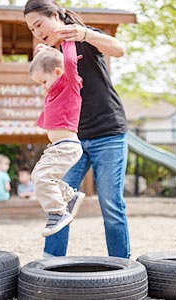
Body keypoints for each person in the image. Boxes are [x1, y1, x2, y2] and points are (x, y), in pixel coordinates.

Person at [24, 0, 130, 258]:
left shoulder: (83, 35)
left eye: (39, 24)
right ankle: (50, 264)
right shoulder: (49, 55)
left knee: (110, 203)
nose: (37, 31)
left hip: (108, 132)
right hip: (71, 141)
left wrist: (85, 34)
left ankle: (121, 267)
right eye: (32, 29)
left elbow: (118, 50)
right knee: (57, 201)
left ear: (56, 16)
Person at [29, 38, 85, 237]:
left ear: (58, 73)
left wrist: (66, 41)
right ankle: (69, 197)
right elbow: (54, 64)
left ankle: (58, 212)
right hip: (57, 146)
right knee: (38, 176)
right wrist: (48, 52)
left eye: (43, 81)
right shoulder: (53, 92)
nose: (43, 87)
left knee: (44, 176)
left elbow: (69, 63)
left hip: (67, 146)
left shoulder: (69, 85)